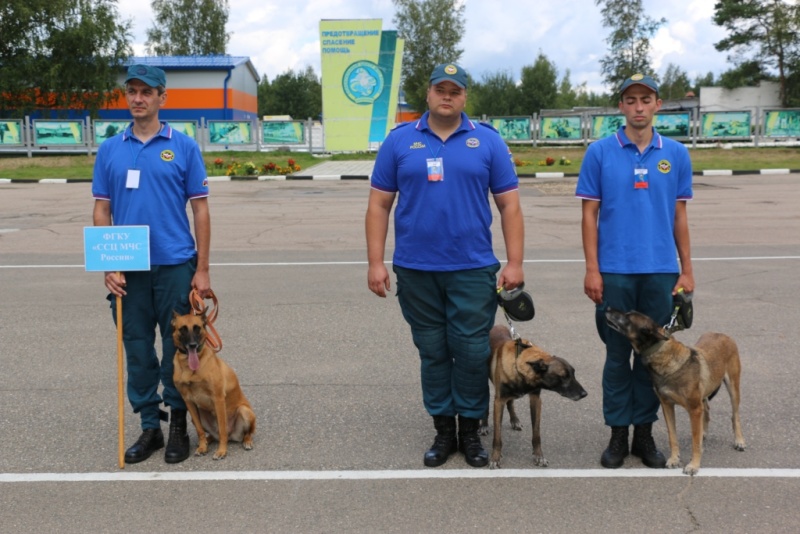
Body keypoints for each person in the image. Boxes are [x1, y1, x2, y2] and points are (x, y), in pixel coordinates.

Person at [365, 63, 525, 468]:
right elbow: (379, 204)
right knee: (433, 350)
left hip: (472, 268)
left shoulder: (487, 141)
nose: (447, 96)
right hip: (416, 269)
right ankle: (443, 430)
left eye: (455, 90)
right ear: (428, 93)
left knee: (471, 352)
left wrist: (515, 262)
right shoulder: (400, 141)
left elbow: (509, 205)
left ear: (465, 96)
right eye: (441, 89)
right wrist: (375, 261)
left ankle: (470, 432)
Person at [92, 64, 211, 464]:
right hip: (128, 267)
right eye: (132, 92)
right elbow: (101, 208)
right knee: (137, 348)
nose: (138, 99)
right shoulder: (110, 148)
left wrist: (203, 268)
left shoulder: (183, 146)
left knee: (179, 347)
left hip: (175, 262)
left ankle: (179, 424)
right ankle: (150, 428)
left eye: (147, 92)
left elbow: (201, 209)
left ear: (163, 97)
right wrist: (109, 262)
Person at [576, 73, 694, 469]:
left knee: (653, 358)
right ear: (621, 106)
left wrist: (686, 270)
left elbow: (679, 215)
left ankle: (644, 434)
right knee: (615, 356)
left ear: (658, 104)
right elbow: (589, 214)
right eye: (631, 100)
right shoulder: (600, 152)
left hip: (660, 272)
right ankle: (617, 435)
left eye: (646, 99)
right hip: (614, 273)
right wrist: (593, 269)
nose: (639, 106)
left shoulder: (675, 153)